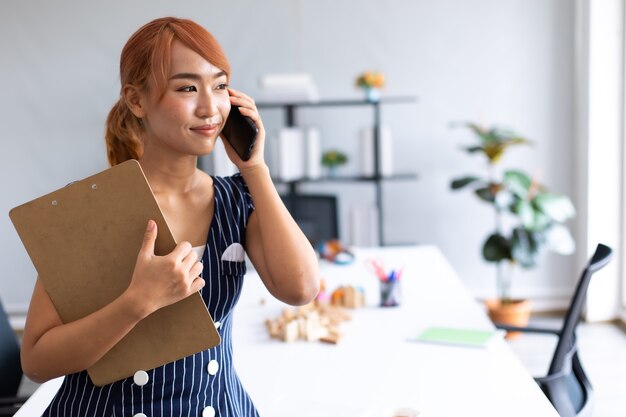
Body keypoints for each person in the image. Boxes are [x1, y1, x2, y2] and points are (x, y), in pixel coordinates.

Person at [20, 16, 320, 417]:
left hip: (219, 406)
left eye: (219, 85)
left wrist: (255, 168)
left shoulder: (237, 198)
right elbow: (37, 360)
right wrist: (137, 302)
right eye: (187, 88)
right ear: (136, 100)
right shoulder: (93, 207)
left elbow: (300, 289)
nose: (210, 106)